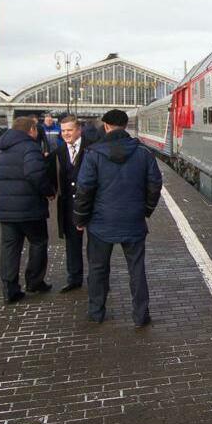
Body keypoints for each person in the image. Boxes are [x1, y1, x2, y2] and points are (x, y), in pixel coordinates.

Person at [74, 109, 162, 326]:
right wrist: (146, 210)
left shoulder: (93, 153)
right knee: (137, 269)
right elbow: (155, 184)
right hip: (133, 220)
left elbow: (84, 189)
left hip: (100, 223)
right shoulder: (143, 152)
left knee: (98, 268)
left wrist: (80, 219)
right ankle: (141, 315)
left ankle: (96, 312)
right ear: (125, 126)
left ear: (106, 126)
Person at [0, 116, 56, 303]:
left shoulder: (4, 148)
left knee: (10, 248)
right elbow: (34, 174)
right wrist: (48, 191)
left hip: (6, 208)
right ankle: (34, 281)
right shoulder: (30, 146)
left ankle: (9, 288)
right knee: (38, 242)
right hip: (29, 207)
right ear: (31, 130)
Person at [55, 115, 90, 292]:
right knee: (72, 244)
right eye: (63, 131)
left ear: (79, 130)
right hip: (68, 205)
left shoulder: (91, 148)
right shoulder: (59, 151)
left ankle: (96, 279)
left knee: (95, 245)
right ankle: (74, 278)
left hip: (91, 205)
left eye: (69, 130)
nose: (66, 134)